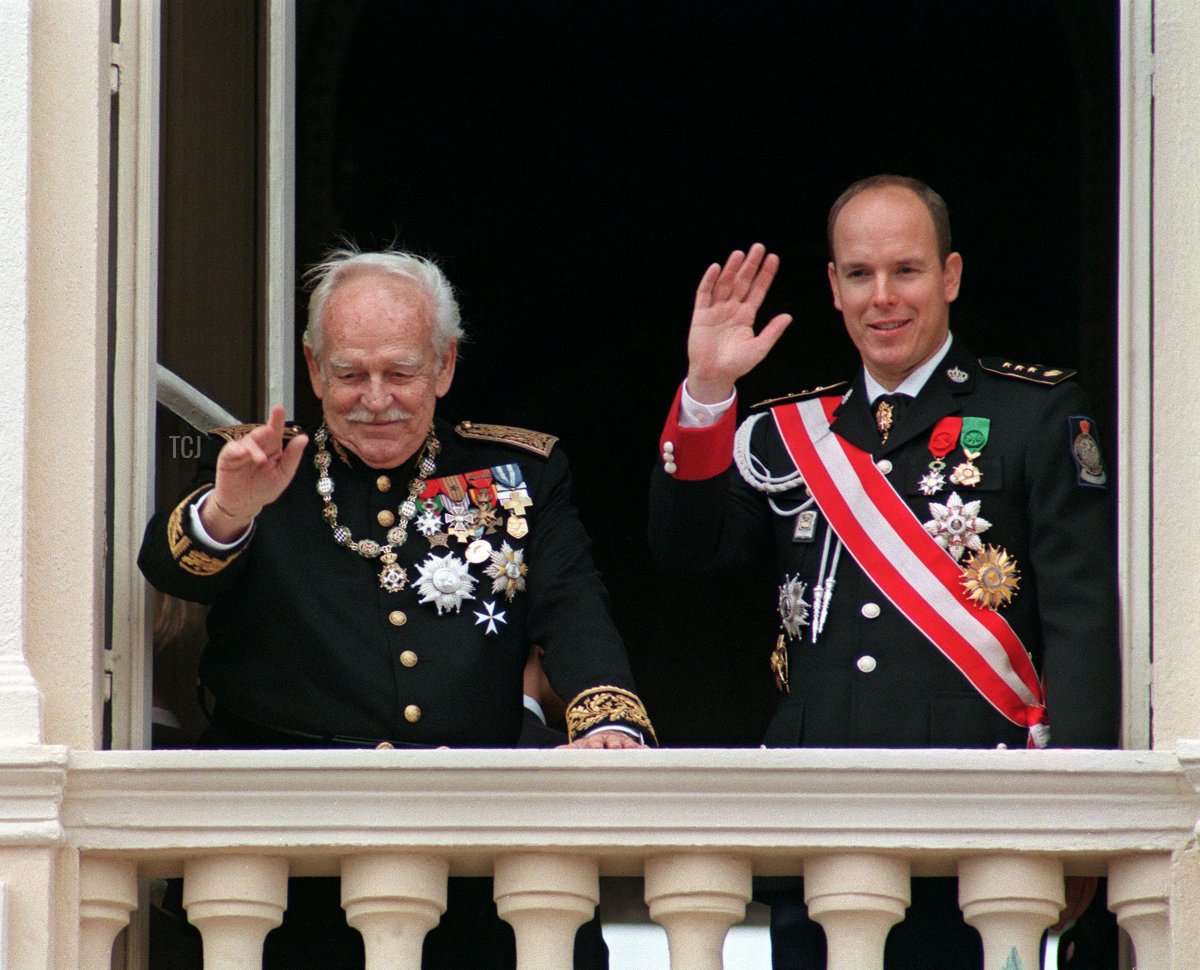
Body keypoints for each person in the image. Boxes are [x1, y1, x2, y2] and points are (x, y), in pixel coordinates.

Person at [648, 175, 1119, 969]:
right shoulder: (789, 431)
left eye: (906, 270)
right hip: (816, 812)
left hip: (981, 810)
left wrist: (1070, 817)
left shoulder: (1035, 414)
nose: (883, 298)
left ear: (951, 276)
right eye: (859, 275)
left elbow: (1080, 620)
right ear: (833, 287)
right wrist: (708, 391)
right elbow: (688, 553)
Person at [139, 246, 654, 970]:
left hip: (473, 847)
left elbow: (571, 605)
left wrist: (608, 719)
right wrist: (230, 508)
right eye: (349, 374)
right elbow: (171, 567)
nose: (374, 398)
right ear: (315, 369)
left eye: (400, 373)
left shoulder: (516, 474)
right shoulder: (259, 468)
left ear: (444, 366)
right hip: (287, 854)